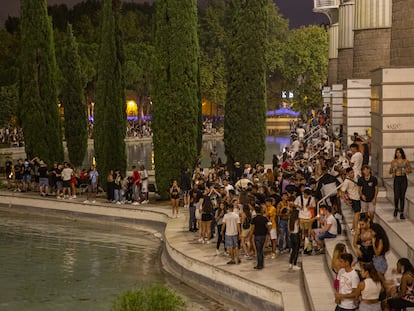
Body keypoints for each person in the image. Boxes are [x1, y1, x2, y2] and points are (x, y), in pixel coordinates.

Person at [389, 148, 412, 219]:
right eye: (397, 153)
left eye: (399, 152)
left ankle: (402, 212)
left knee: (402, 196)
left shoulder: (406, 161)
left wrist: (404, 171)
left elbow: (410, 170)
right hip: (397, 179)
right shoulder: (393, 161)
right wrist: (393, 169)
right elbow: (390, 172)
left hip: (403, 179)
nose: (398, 154)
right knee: (396, 196)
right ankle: (396, 208)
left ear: (402, 153)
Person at [341, 167, 361, 234]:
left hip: (358, 198)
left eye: (353, 172)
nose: (353, 174)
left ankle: (353, 228)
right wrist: (346, 201)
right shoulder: (346, 181)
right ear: (347, 173)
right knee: (357, 213)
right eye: (351, 173)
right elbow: (342, 192)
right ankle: (354, 229)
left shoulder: (355, 178)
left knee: (357, 214)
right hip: (353, 199)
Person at [249, 204, 268, 270]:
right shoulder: (265, 218)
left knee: (258, 251)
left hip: (257, 236)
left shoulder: (254, 219)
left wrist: (250, 236)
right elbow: (269, 225)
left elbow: (252, 229)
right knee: (261, 250)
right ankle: (262, 264)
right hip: (264, 235)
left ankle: (259, 265)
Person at [288, 206, 301, 271]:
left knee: (293, 250)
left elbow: (288, 229)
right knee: (296, 251)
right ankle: (295, 264)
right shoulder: (297, 220)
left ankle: (290, 263)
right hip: (296, 235)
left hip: (291, 235)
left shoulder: (290, 220)